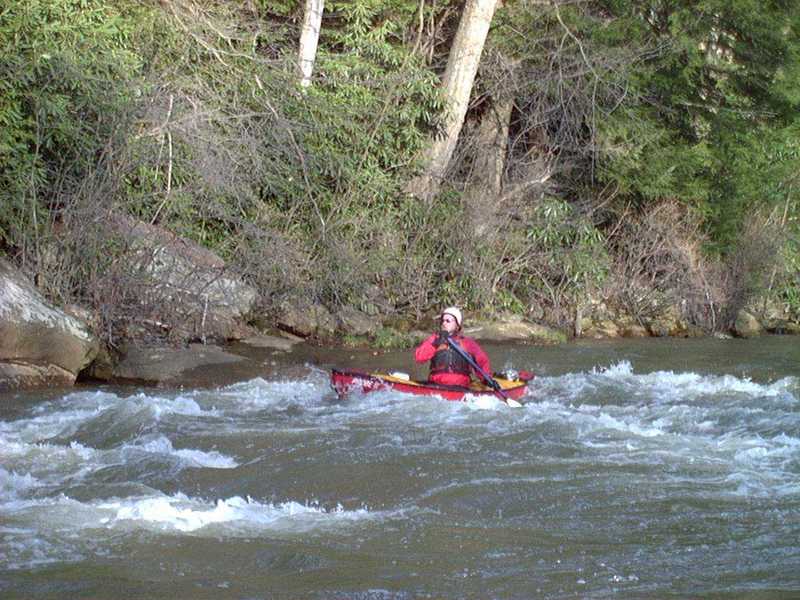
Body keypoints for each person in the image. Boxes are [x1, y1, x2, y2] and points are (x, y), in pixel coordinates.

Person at [414, 306, 491, 387]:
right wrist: (436, 343)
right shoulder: (434, 339)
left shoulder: (467, 343)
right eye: (442, 321)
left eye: (448, 321)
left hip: (461, 387)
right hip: (436, 386)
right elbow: (419, 357)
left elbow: (482, 362)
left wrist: (487, 379)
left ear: (457, 325)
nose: (444, 323)